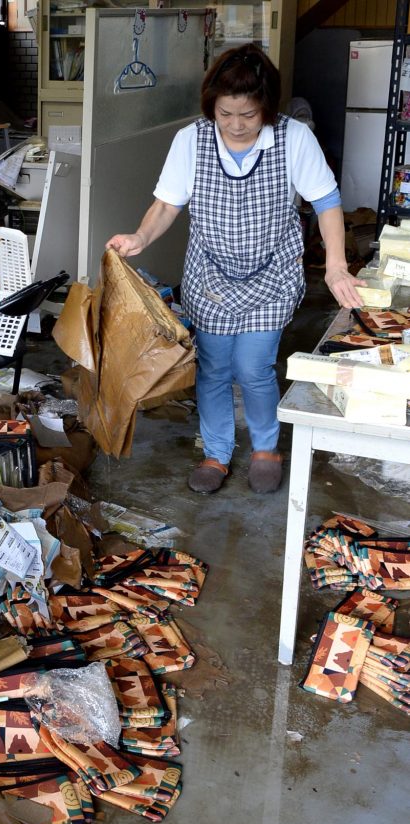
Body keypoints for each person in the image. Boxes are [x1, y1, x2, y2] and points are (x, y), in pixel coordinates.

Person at [106, 44, 362, 495]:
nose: (237, 125)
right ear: (212, 107)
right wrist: (140, 238)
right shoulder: (192, 139)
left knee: (254, 366)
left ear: (266, 107)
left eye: (248, 114)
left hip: (272, 274)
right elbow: (167, 204)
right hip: (211, 275)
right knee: (214, 367)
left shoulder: (292, 138)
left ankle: (265, 448)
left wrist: (337, 267)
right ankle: (217, 452)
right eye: (226, 114)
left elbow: (326, 202)